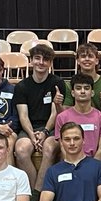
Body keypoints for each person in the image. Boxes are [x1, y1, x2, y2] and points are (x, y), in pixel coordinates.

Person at [14, 42, 68, 190]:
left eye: (45, 59)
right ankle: (32, 192)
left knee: (49, 149)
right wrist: (32, 135)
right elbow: (23, 116)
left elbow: (55, 113)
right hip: (29, 128)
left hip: (51, 127)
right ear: (31, 60)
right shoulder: (21, 86)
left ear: (50, 63)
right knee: (21, 150)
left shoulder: (57, 83)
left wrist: (44, 132)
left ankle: (39, 192)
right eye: (37, 58)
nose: (41, 62)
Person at [56, 73, 101, 162]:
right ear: (72, 93)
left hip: (94, 165)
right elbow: (63, 148)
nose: (82, 91)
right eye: (78, 88)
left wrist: (89, 168)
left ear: (92, 92)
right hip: (70, 164)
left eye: (86, 88)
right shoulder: (62, 118)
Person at [63, 44, 101, 110]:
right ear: (78, 61)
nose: (87, 59)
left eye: (90, 56)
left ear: (97, 61)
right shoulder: (69, 85)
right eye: (83, 56)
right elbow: (66, 112)